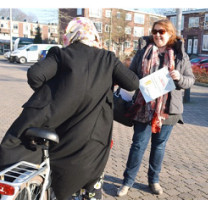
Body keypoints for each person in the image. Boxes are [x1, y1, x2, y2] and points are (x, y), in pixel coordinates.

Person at [0, 17, 139, 200]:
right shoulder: (107, 59)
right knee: (91, 180)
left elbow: (35, 75)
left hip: (56, 128)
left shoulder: (61, 54)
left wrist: (58, 93)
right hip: (89, 138)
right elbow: (132, 83)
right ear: (94, 35)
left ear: (71, 34)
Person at [117, 19, 195, 197]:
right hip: (143, 108)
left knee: (159, 147)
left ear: (170, 33)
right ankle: (127, 182)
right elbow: (132, 76)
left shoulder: (179, 54)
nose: (158, 35)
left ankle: (154, 181)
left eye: (162, 31)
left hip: (167, 110)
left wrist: (178, 78)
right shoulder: (143, 51)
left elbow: (190, 80)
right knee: (138, 146)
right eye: (155, 31)